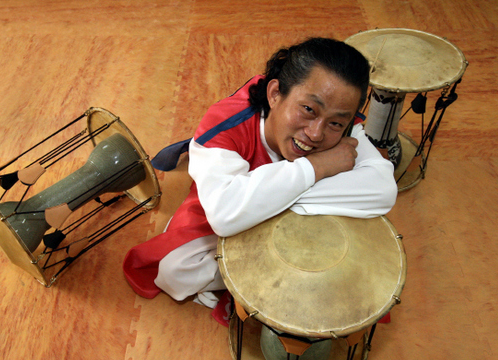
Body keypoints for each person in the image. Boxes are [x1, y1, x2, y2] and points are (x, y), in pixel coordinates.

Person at [123, 37, 397, 310]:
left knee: (355, 266)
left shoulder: (344, 123)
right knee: (174, 270)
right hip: (230, 194)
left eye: (336, 122)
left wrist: (270, 202)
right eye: (308, 110)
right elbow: (224, 216)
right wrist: (318, 167)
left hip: (271, 202)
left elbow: (383, 190)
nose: (315, 133)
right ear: (275, 94)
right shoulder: (225, 124)